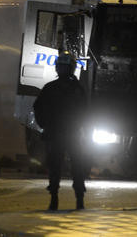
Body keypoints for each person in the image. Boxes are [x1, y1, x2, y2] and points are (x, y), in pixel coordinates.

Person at [33, 51, 88, 211]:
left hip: (58, 133)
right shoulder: (77, 89)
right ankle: (78, 200)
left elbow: (38, 108)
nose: (62, 69)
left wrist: (44, 125)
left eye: (63, 67)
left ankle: (56, 199)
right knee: (75, 165)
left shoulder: (51, 88)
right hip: (69, 134)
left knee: (56, 166)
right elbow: (85, 111)